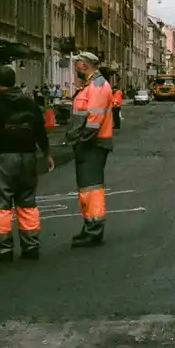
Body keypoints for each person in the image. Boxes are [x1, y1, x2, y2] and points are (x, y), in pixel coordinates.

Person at [0, 65, 55, 262]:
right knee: (27, 201)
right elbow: (40, 132)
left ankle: (4, 249)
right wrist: (47, 155)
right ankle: (31, 246)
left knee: (2, 203)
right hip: (29, 157)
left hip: (5, 158)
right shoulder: (30, 104)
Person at [66, 52, 114, 247]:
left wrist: (82, 141)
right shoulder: (92, 85)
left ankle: (94, 231)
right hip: (90, 143)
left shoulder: (98, 86)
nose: (75, 70)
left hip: (93, 144)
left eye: (76, 66)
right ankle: (89, 227)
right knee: (86, 189)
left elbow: (94, 120)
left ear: (84, 66)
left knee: (92, 189)